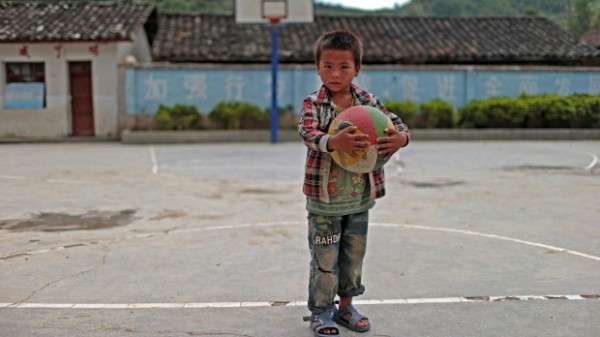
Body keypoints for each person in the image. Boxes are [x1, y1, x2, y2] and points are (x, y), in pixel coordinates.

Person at [299, 29, 410, 337]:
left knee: (352, 258)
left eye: (344, 67)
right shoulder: (313, 104)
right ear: (317, 67)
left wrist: (401, 138)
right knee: (324, 259)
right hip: (324, 201)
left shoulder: (369, 103)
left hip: (359, 199)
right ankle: (321, 311)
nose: (335, 74)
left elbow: (397, 123)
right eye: (328, 66)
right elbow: (308, 133)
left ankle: (345, 306)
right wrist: (333, 141)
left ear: (357, 69)